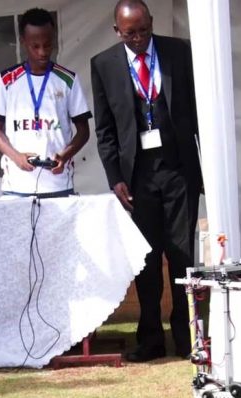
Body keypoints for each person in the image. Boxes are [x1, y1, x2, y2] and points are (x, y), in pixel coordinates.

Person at [91, 0, 202, 362]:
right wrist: (115, 178)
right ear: (116, 31)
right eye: (130, 33)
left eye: (143, 30)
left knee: (182, 255)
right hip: (137, 176)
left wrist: (205, 168)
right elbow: (105, 130)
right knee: (147, 259)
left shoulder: (178, 52)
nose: (138, 38)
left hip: (179, 170)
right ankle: (151, 338)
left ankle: (187, 337)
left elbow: (199, 110)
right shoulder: (103, 64)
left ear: (152, 23)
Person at [0, 8, 91, 198]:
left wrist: (65, 155)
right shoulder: (7, 80)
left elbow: (84, 131)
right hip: (17, 186)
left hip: (58, 184)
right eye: (35, 46)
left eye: (47, 45)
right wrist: (16, 157)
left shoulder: (68, 80)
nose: (42, 52)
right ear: (23, 41)